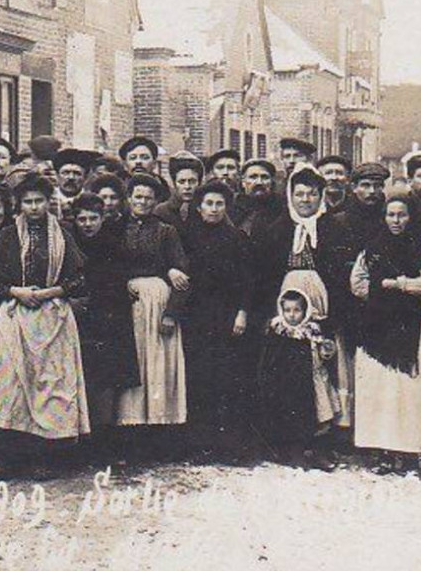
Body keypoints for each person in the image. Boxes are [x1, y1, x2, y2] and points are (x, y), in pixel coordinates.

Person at [0, 172, 91, 459]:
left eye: (39, 201)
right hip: (15, 315)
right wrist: (16, 292)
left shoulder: (62, 236)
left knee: (50, 386)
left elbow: (78, 279)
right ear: (18, 205)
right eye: (27, 202)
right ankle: (8, 456)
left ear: (48, 202)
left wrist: (47, 293)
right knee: (11, 386)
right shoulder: (7, 236)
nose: (33, 207)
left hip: (52, 317)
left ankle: (44, 456)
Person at [250, 164, 357, 441]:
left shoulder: (335, 228)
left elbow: (342, 275)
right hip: (287, 304)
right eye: (299, 194)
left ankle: (327, 433)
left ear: (321, 196)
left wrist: (335, 313)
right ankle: (290, 432)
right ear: (290, 196)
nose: (305, 200)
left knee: (324, 363)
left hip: (323, 304)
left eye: (311, 194)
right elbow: (264, 275)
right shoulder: (278, 229)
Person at [350, 193, 421, 473]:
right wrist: (387, 293)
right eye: (391, 215)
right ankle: (384, 451)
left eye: (402, 215)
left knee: (411, 389)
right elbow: (357, 283)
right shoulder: (372, 249)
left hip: (414, 327)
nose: (396, 221)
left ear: (411, 217)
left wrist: (396, 284)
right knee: (381, 389)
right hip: (378, 327)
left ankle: (413, 449)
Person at [114, 173, 191, 447]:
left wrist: (171, 313)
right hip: (128, 306)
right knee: (132, 366)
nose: (143, 202)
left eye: (149, 198)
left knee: (158, 366)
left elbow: (181, 273)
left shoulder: (166, 231)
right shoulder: (116, 228)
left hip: (158, 303)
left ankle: (158, 436)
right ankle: (129, 433)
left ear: (156, 200)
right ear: (129, 198)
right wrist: (120, 284)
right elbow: (108, 266)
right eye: (138, 197)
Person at [180, 179, 252, 460]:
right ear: (198, 207)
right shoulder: (187, 236)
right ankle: (200, 445)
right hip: (196, 315)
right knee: (199, 380)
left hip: (226, 315)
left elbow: (247, 280)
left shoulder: (236, 238)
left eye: (219, 204)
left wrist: (242, 313)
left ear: (226, 207)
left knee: (227, 381)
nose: (213, 209)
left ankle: (228, 446)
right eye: (208, 203)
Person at [69, 192, 139, 447]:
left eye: (93, 218)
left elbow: (119, 280)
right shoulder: (70, 243)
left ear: (102, 218)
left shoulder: (113, 244)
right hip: (79, 315)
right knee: (80, 377)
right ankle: (80, 437)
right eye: (82, 219)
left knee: (107, 380)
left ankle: (104, 439)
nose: (87, 224)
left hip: (109, 317)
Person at [254, 289, 339, 459]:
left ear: (305, 310)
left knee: (313, 413)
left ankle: (311, 449)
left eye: (297, 310)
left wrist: (326, 351)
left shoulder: (311, 330)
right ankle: (283, 448)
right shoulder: (278, 329)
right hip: (284, 380)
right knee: (284, 411)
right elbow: (270, 356)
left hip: (307, 378)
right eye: (287, 310)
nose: (292, 315)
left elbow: (322, 353)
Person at [232, 158, 282, 238]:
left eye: (265, 177)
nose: (259, 182)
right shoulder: (232, 207)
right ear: (243, 183)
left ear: (272, 183)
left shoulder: (281, 209)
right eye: (253, 177)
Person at [157, 153, 202, 228]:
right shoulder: (161, 212)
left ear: (199, 183)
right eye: (181, 182)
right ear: (174, 183)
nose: (187, 186)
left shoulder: (206, 210)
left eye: (192, 181)